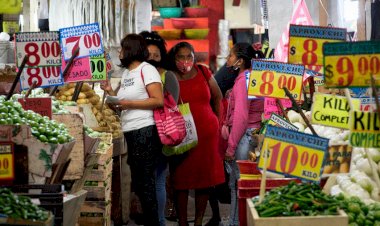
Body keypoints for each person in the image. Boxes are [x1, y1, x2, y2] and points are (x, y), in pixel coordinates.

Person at [100, 33, 164, 226]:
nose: (119, 52)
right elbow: (120, 105)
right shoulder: (128, 73)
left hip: (145, 130)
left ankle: (153, 223)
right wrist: (110, 93)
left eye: (122, 48)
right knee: (140, 182)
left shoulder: (147, 69)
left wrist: (128, 103)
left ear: (131, 49)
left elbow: (157, 100)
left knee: (146, 183)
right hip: (130, 131)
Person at [167, 42, 224, 226]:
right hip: (182, 138)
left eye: (188, 56)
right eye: (180, 57)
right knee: (181, 180)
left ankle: (198, 220)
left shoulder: (204, 72)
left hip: (208, 136)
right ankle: (182, 221)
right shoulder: (169, 77)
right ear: (174, 59)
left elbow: (217, 97)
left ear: (194, 57)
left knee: (204, 180)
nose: (185, 61)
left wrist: (217, 122)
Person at [139, 30, 180, 226]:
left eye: (157, 55)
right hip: (140, 133)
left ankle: (160, 221)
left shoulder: (168, 76)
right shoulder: (137, 75)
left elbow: (173, 105)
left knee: (158, 180)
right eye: (149, 55)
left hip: (161, 135)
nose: (153, 59)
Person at [223, 43, 264, 226]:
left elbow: (240, 117)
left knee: (239, 186)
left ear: (239, 61)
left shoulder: (242, 81)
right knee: (248, 185)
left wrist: (231, 147)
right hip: (254, 135)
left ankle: (235, 222)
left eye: (230, 55)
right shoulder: (253, 77)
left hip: (244, 138)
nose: (227, 59)